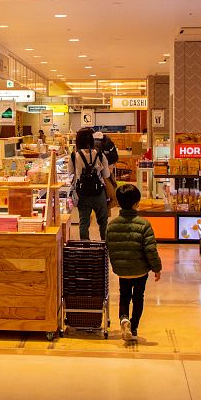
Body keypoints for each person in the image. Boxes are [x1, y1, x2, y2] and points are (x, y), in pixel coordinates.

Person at [106, 184, 162, 342]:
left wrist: (116, 264)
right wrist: (156, 268)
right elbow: (150, 250)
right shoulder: (144, 225)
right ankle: (134, 327)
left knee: (124, 296)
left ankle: (124, 319)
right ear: (137, 203)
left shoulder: (112, 225)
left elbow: (109, 246)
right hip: (140, 270)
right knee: (138, 297)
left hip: (122, 271)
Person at [71, 127, 111, 241]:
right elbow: (106, 175)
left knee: (84, 222)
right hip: (98, 192)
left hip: (82, 193)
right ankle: (104, 245)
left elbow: (70, 175)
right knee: (103, 221)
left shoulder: (74, 156)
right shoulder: (100, 155)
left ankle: (86, 248)